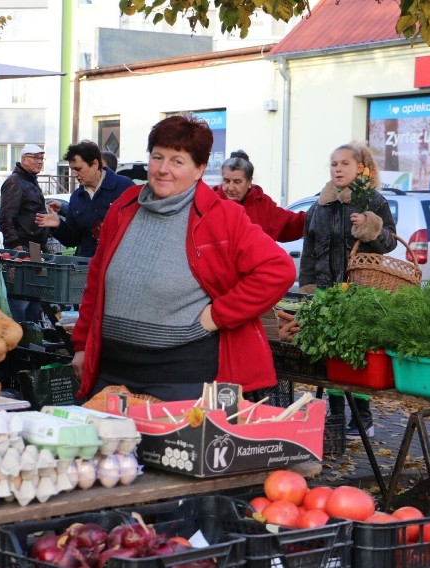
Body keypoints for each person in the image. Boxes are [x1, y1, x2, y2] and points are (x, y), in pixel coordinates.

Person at [71, 115, 295, 401]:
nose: (163, 169)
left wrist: (217, 315)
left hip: (180, 375)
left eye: (177, 161)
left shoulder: (222, 216)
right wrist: (81, 344)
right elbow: (96, 279)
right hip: (112, 369)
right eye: (157, 157)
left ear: (199, 169)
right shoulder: (124, 207)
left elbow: (278, 270)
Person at [299, 142, 397, 439]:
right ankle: (337, 415)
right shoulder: (320, 205)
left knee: (358, 356)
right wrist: (307, 287)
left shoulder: (374, 202)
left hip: (361, 294)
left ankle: (363, 418)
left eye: (344, 164)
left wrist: (370, 227)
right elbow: (309, 250)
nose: (338, 169)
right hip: (326, 294)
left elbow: (391, 243)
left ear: (360, 169)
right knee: (331, 355)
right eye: (333, 164)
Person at [35, 140, 134, 258]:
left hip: (120, 263)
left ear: (95, 164)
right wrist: (58, 225)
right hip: (87, 267)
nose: (74, 174)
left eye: (78, 169)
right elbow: (73, 240)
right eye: (72, 169)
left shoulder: (124, 187)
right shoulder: (76, 197)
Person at [0, 143, 49, 322]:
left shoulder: (29, 181)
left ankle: (32, 343)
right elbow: (5, 218)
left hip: (34, 248)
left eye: (41, 158)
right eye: (35, 158)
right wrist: (16, 247)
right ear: (23, 159)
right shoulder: (15, 182)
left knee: (35, 299)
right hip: (22, 248)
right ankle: (17, 344)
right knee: (19, 300)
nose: (39, 162)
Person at [212, 150, 305, 242]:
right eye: (226, 181)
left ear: (249, 182)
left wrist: (317, 211)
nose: (231, 188)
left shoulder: (263, 204)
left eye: (237, 182)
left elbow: (290, 224)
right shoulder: (211, 203)